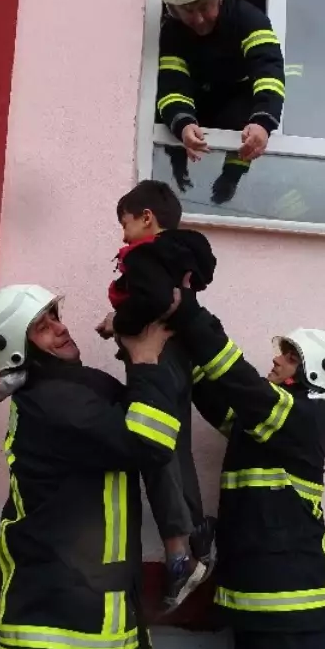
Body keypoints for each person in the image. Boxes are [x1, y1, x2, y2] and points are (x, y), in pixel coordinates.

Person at [0, 284, 183, 649]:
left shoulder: (70, 391)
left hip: (79, 644)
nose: (60, 327)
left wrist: (134, 343)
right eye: (41, 326)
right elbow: (151, 441)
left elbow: (144, 405)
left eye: (55, 315)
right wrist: (144, 358)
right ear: (17, 349)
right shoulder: (56, 402)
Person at [169, 296, 325, 649]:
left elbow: (240, 383)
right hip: (260, 608)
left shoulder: (303, 419)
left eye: (289, 356)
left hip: (289, 613)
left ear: (311, 374)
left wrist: (186, 312)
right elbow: (215, 394)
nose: (277, 359)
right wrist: (169, 340)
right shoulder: (265, 425)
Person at [98, 179, 217, 609]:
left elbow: (150, 300)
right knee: (178, 447)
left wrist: (117, 321)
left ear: (147, 218)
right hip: (181, 358)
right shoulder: (184, 254)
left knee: (156, 453)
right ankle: (199, 539)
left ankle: (180, 557)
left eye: (124, 223)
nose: (122, 234)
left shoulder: (147, 256)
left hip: (156, 360)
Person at [157, 0, 286, 205]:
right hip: (198, 99)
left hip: (239, 101)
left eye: (205, 7)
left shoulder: (249, 19)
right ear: (173, 9)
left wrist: (263, 122)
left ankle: (231, 178)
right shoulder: (172, 33)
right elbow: (173, 85)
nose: (199, 19)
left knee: (245, 115)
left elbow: (268, 69)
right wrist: (182, 125)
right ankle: (176, 173)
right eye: (188, 11)